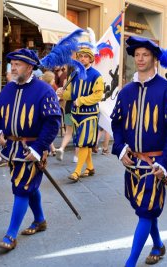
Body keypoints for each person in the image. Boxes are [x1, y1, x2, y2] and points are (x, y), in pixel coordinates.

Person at [111, 36, 167, 267]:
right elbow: (117, 123)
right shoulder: (126, 92)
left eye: (146, 54)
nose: (141, 59)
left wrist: (165, 162)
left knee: (145, 210)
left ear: (154, 58)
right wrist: (120, 147)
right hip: (132, 162)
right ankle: (158, 244)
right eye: (137, 55)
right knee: (144, 207)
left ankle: (130, 262)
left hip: (155, 164)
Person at [0, 49, 61, 251]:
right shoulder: (7, 89)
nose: (13, 68)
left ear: (30, 67)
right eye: (12, 64)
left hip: (32, 148)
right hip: (11, 148)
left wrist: (40, 148)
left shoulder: (44, 90)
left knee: (22, 188)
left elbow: (53, 122)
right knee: (27, 185)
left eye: (18, 64)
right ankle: (40, 220)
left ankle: (10, 235)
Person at [58, 44, 104, 181]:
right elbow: (70, 94)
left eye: (85, 57)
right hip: (75, 113)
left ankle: (77, 171)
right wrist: (62, 93)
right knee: (82, 141)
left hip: (89, 114)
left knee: (83, 142)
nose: (82, 59)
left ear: (91, 59)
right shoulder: (74, 74)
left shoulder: (97, 75)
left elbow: (98, 95)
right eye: (80, 57)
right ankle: (90, 167)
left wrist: (81, 100)